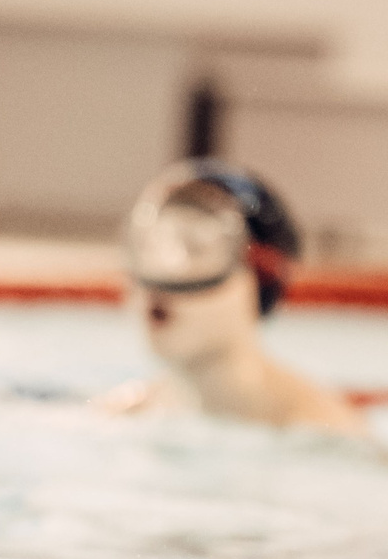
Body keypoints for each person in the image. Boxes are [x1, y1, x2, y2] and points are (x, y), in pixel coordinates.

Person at [97, 159, 363, 435]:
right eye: (149, 247)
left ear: (261, 276)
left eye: (195, 249)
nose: (162, 282)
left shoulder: (322, 429)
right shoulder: (128, 411)